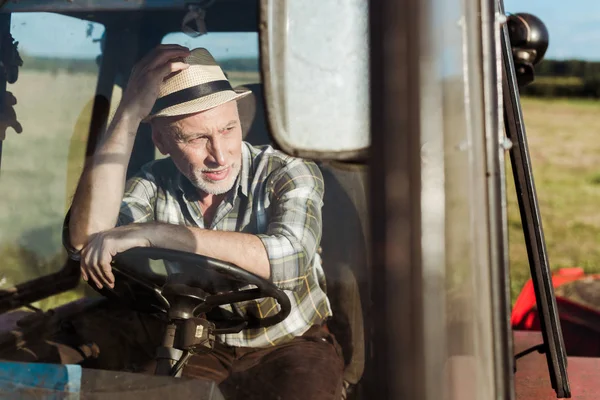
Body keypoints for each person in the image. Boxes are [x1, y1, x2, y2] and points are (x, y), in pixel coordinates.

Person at [64, 44, 344, 400]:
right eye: (197, 137)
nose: (220, 154)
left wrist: (158, 234)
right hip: (203, 340)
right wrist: (128, 116)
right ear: (162, 140)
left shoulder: (287, 172)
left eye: (228, 129)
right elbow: (84, 241)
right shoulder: (154, 183)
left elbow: (289, 260)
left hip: (292, 342)